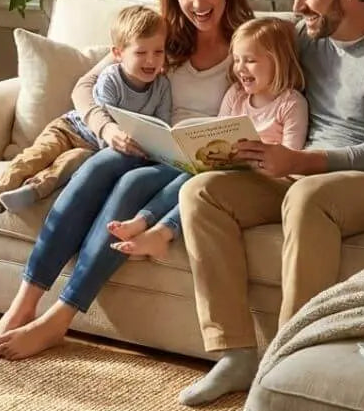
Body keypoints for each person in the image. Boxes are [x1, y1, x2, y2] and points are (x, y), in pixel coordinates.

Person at [177, 0, 364, 405]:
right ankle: (235, 355)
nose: (297, 7)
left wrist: (297, 162)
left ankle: (286, 362)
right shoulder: (309, 36)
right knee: (202, 192)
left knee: (307, 197)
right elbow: (250, 49)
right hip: (300, 172)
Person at [0, 0, 254, 360]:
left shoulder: (246, 44)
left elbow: (268, 102)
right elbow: (84, 87)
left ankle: (59, 318)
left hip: (191, 162)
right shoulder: (161, 37)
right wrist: (106, 129)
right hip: (143, 144)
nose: (198, 3)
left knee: (128, 187)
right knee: (97, 167)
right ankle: (24, 303)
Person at [108, 16, 309, 261]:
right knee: (188, 176)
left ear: (278, 61)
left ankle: (161, 233)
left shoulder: (291, 103)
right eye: (236, 60)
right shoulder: (236, 95)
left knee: (201, 186)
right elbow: (216, 131)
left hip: (262, 181)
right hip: (225, 170)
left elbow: (291, 159)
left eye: (250, 61)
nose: (240, 68)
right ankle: (143, 220)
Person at [0, 6, 171, 234]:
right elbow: (103, 120)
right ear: (118, 53)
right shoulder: (110, 79)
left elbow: (162, 125)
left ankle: (30, 192)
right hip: (70, 129)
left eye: (159, 52)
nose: (151, 60)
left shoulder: (162, 86)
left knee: (68, 164)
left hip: (92, 150)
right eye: (141, 52)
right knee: (37, 156)